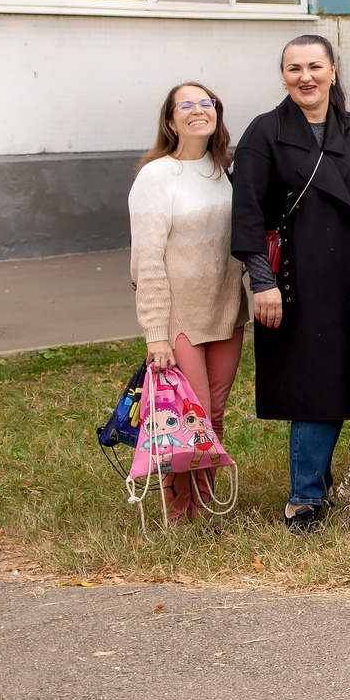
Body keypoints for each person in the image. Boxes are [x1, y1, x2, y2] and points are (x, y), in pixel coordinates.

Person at [231, 34, 350, 532]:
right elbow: (248, 212)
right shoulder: (264, 132)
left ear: (333, 70)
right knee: (314, 389)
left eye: (315, 66)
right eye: (294, 68)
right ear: (283, 76)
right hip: (293, 282)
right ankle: (303, 501)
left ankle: (315, 487)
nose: (306, 76)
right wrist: (262, 282)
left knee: (338, 385)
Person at [128, 81, 249, 523]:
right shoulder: (157, 176)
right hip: (179, 315)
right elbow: (148, 262)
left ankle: (206, 506)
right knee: (187, 415)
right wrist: (155, 334)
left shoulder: (228, 171)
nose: (198, 110)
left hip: (226, 310)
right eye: (186, 105)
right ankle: (178, 512)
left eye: (207, 103)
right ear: (171, 119)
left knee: (213, 413)